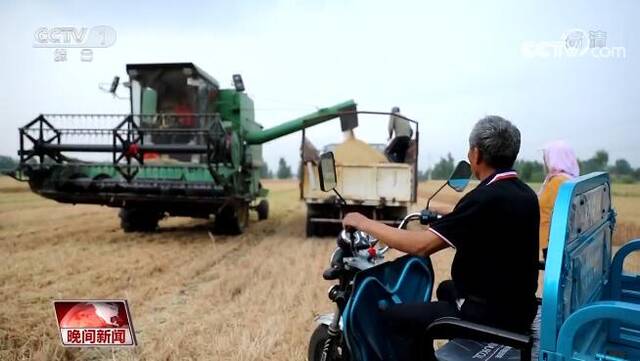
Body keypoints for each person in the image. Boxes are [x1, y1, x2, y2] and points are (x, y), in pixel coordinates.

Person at [343, 115, 540, 360]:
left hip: (489, 315)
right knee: (446, 288)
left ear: (476, 154)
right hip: (517, 308)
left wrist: (364, 222)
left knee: (394, 318)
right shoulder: (524, 193)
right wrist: (445, 216)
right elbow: (484, 222)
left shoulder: (484, 198)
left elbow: (421, 246)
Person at [538, 140, 579, 259]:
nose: (545, 161)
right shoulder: (569, 179)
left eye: (547, 157)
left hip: (552, 243)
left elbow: (543, 207)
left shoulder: (558, 182)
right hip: (563, 241)